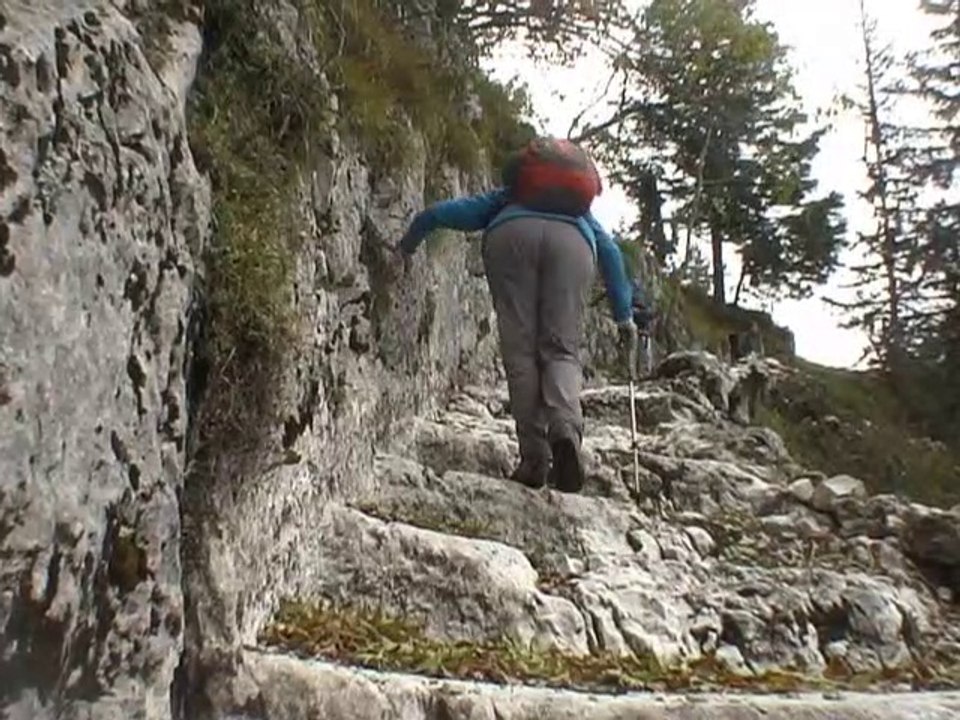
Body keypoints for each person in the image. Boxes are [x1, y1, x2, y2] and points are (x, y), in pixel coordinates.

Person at [394, 140, 639, 493]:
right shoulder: (581, 214)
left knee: (521, 352)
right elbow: (612, 254)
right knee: (562, 350)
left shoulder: (507, 198)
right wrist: (623, 315)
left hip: (510, 237)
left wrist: (407, 245)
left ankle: (534, 459)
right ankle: (566, 431)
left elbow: (440, 213)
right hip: (573, 247)